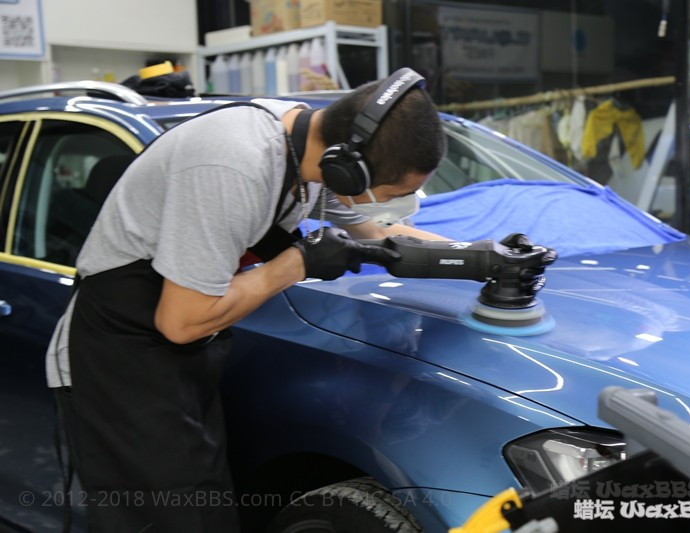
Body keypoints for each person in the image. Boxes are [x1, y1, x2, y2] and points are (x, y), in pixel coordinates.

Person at [45, 68, 447, 532]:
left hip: (178, 359)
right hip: (118, 355)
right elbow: (181, 321)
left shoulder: (315, 152)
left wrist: (483, 257)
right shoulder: (233, 164)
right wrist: (296, 263)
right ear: (348, 167)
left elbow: (379, 234)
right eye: (394, 193)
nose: (397, 204)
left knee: (205, 510)